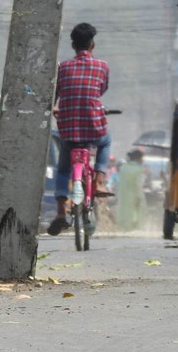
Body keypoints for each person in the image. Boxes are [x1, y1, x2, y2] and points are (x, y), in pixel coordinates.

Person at [47, 22, 111, 236]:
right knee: (106, 140)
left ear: (73, 46)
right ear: (92, 44)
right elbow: (100, 90)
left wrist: (57, 109)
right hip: (93, 127)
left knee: (64, 169)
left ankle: (59, 212)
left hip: (68, 129)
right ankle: (100, 181)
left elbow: (56, 94)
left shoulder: (63, 68)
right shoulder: (102, 67)